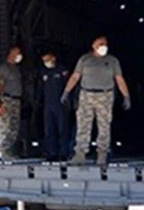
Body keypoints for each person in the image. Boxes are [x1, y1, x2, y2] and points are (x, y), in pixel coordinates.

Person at [62, 36, 131, 165]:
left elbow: (119, 78)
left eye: (105, 43)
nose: (103, 46)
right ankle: (80, 154)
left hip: (105, 96)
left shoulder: (112, 61)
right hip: (86, 95)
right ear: (93, 45)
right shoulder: (85, 59)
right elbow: (75, 76)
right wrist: (66, 91)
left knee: (104, 126)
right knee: (83, 125)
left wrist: (126, 95)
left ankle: (102, 154)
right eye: (100, 43)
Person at [39, 52, 72, 160]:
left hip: (60, 104)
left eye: (47, 59)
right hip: (48, 104)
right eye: (44, 60)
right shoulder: (43, 71)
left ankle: (64, 152)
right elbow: (40, 88)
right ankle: (51, 153)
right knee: (49, 129)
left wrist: (68, 101)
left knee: (62, 128)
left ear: (53, 58)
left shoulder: (62, 70)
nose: (46, 62)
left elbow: (69, 85)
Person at [0, 46, 24, 157]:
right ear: (11, 53)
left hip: (16, 100)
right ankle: (3, 152)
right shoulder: (4, 68)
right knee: (6, 126)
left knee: (14, 128)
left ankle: (10, 152)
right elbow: (0, 84)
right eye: (17, 53)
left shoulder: (15, 68)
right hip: (6, 100)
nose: (19, 55)